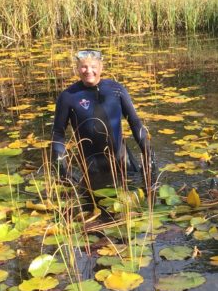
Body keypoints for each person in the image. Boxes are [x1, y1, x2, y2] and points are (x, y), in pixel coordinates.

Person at [50, 49, 151, 204]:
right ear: (77, 68)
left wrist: (148, 155)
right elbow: (58, 133)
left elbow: (135, 123)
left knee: (131, 212)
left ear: (101, 67)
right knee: (94, 215)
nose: (88, 71)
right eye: (83, 66)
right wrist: (61, 167)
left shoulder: (116, 89)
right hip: (92, 168)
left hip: (123, 163)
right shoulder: (68, 97)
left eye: (93, 66)